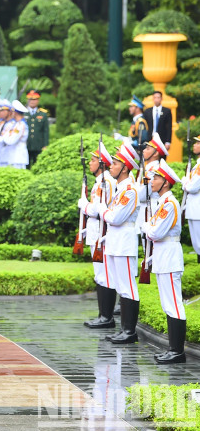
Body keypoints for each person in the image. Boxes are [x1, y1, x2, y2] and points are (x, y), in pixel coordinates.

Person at [142, 159, 186, 363]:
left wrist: (146, 228)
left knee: (174, 304)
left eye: (157, 178)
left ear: (166, 182)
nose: (152, 181)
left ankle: (177, 351)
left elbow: (156, 232)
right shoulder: (163, 203)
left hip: (169, 255)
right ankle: (173, 349)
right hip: (163, 256)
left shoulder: (169, 205)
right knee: (168, 304)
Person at [99, 142, 141, 344]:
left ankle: (130, 331)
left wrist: (102, 211)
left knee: (128, 287)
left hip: (124, 242)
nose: (111, 167)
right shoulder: (120, 189)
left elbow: (115, 218)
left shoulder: (130, 190)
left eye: (115, 164)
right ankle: (124, 329)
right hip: (115, 241)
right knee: (121, 287)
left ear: (125, 168)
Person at [79, 142, 116, 328]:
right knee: (99, 274)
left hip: (102, 233)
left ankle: (106, 317)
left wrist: (84, 205)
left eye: (93, 160)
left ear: (102, 164)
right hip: (95, 232)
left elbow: (97, 210)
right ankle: (103, 315)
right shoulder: (100, 182)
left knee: (104, 275)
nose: (90, 163)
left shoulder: (106, 182)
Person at [182, 133, 200, 261]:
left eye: (198, 143)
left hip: (197, 209)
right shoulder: (197, 165)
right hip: (194, 209)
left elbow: (192, 187)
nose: (195, 145)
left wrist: (184, 182)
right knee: (197, 245)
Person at [25, 90, 49, 167]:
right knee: (26, 166)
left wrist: (45, 145)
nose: (32, 101)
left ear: (38, 100)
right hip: (26, 145)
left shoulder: (43, 113)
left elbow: (45, 131)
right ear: (27, 100)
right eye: (30, 99)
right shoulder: (23, 112)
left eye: (34, 99)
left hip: (38, 145)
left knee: (37, 165)